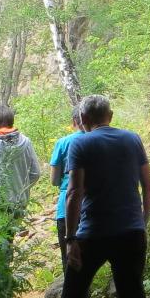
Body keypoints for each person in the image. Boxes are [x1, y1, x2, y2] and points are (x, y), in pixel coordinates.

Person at [53, 94, 150, 298]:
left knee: (73, 296)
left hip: (92, 233)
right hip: (130, 232)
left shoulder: (81, 144)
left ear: (84, 119)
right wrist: (142, 222)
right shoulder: (132, 139)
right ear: (110, 116)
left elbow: (74, 193)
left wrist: (70, 238)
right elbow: (148, 187)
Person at [49, 108, 88, 271]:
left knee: (70, 262)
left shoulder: (63, 143)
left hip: (66, 207)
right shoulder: (99, 140)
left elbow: (54, 180)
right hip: (93, 206)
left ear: (74, 122)